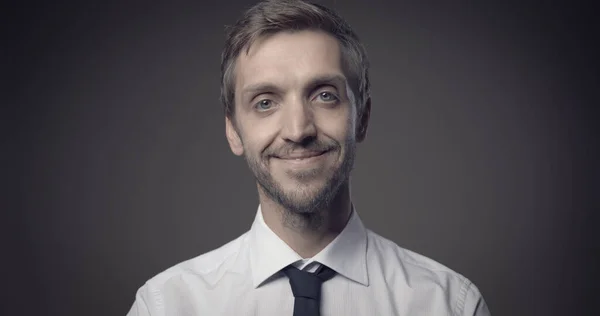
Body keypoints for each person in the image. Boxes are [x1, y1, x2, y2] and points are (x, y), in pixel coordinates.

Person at [127, 0, 491, 315]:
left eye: (324, 95)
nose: (298, 130)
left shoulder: (448, 305)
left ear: (361, 118)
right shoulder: (166, 306)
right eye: (265, 103)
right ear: (233, 132)